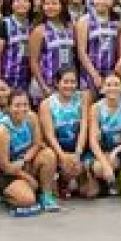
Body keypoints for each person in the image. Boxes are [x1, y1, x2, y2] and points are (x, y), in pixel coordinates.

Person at [0, 89, 48, 217]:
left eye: (25, 105)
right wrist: (28, 177)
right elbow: (5, 167)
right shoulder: (1, 131)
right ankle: (1, 195)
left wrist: (26, 159)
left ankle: (47, 195)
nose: (22, 109)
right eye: (17, 105)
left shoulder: (31, 117)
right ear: (8, 107)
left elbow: (37, 143)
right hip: (2, 172)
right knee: (28, 200)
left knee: (48, 155)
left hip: (22, 163)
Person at [38, 68, 91, 200]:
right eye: (65, 82)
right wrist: (62, 157)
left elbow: (84, 126)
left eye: (73, 82)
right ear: (57, 83)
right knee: (61, 187)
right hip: (58, 151)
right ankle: (60, 180)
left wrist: (78, 153)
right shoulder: (47, 104)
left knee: (90, 192)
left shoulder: (83, 97)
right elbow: (49, 135)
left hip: (78, 149)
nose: (70, 85)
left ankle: (80, 177)